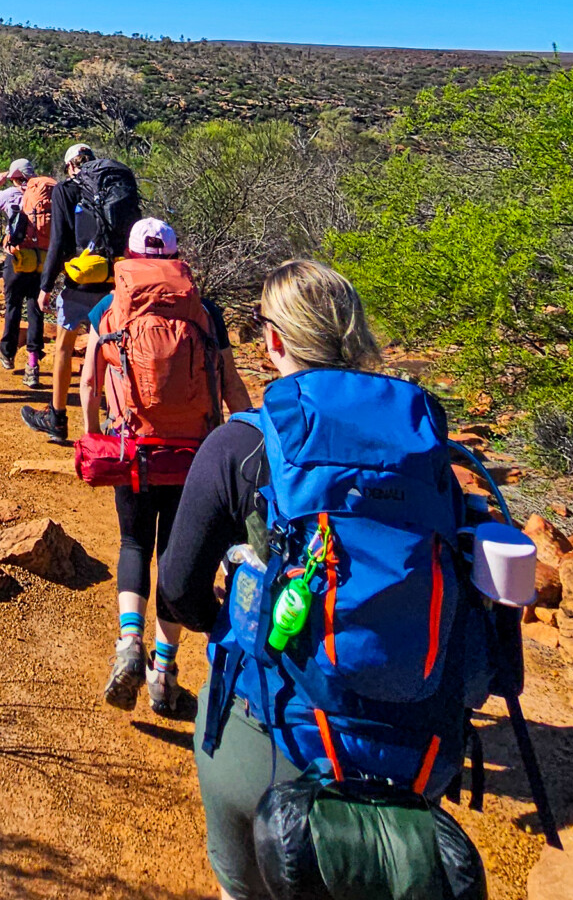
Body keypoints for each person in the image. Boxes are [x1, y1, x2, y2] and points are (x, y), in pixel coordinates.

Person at [158, 260, 391, 900]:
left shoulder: (241, 444)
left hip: (276, 734)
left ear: (275, 340)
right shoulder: (419, 442)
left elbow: (177, 589)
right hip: (409, 743)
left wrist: (231, 621)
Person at [78, 218, 246, 717]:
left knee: (133, 543)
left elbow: (88, 383)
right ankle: (164, 673)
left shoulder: (110, 308)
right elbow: (232, 387)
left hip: (133, 449)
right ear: (176, 256)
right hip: (194, 455)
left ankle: (129, 644)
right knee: (175, 555)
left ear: (129, 256)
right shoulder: (204, 310)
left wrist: (94, 439)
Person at [19, 142, 140, 444]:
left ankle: (56, 417)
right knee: (110, 350)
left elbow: (59, 240)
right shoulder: (112, 190)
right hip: (113, 281)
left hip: (80, 281)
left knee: (64, 346)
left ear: (70, 166)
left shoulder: (66, 190)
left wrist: (45, 286)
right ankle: (115, 418)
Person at [0, 158, 46, 386]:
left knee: (13, 304)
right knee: (36, 308)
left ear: (14, 177)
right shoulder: (46, 196)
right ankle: (33, 364)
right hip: (42, 259)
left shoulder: (10, 194)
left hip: (17, 257)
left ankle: (7, 352)